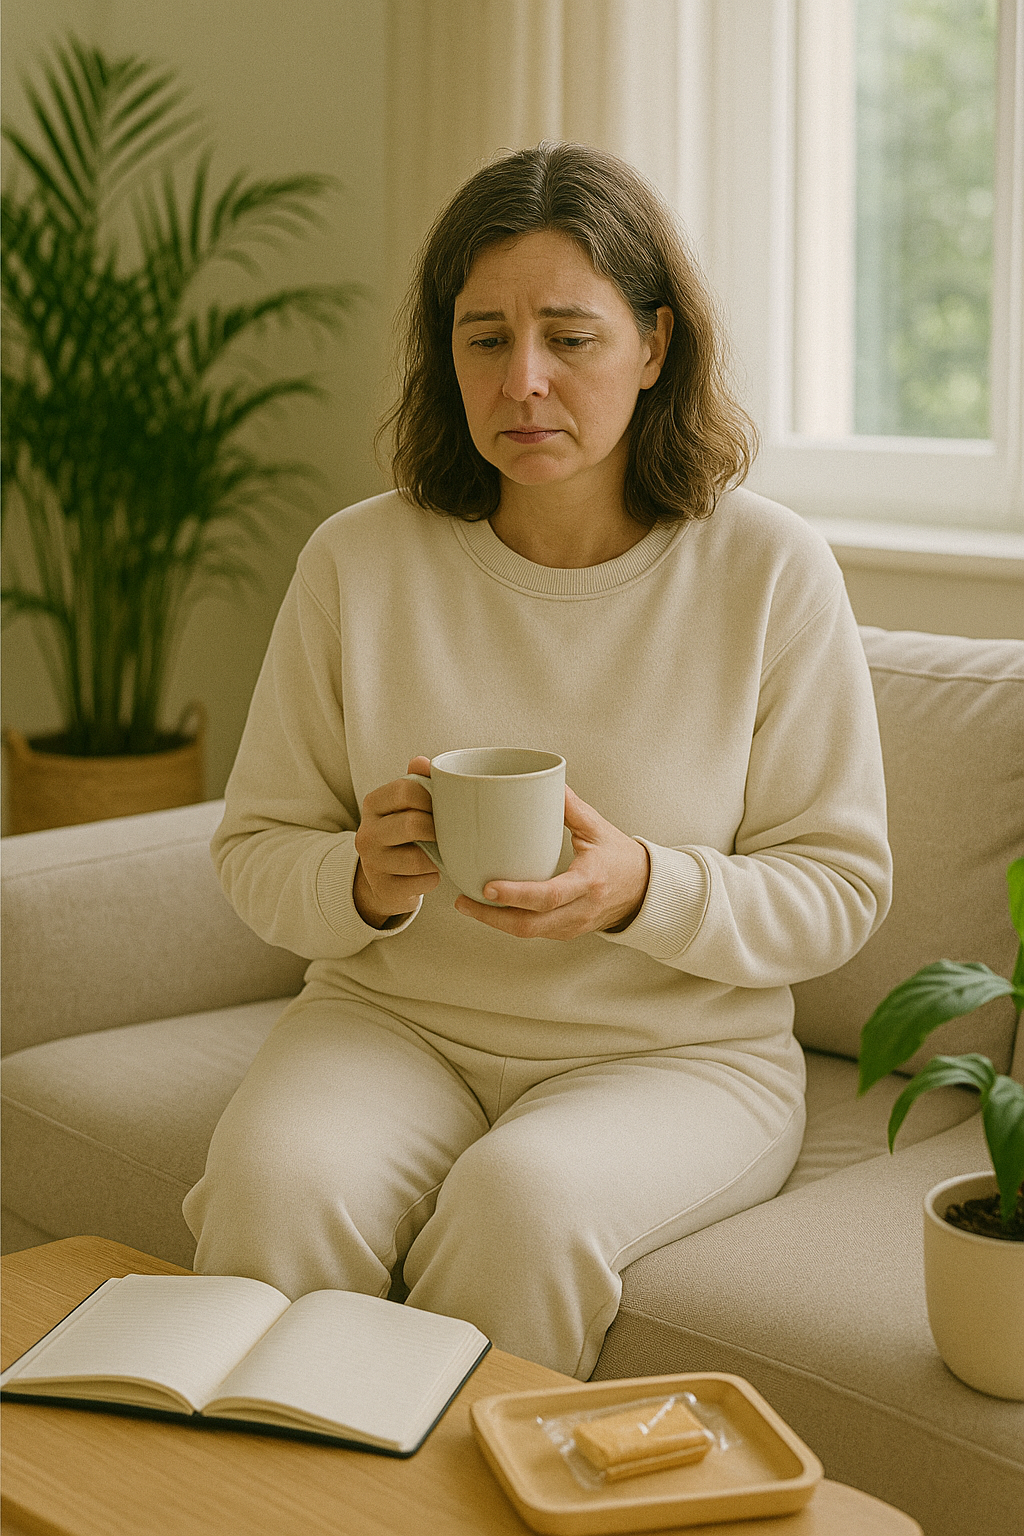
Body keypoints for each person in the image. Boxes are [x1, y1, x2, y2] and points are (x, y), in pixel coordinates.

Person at [183, 141, 892, 1381]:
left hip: (675, 1057)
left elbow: (839, 888)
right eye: (482, 338)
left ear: (654, 346)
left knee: (520, 1206)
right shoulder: (357, 562)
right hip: (391, 1023)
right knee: (273, 1188)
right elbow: (253, 849)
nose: (524, 381)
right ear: (441, 353)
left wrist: (644, 888)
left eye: (570, 337)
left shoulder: (768, 571)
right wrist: (360, 880)